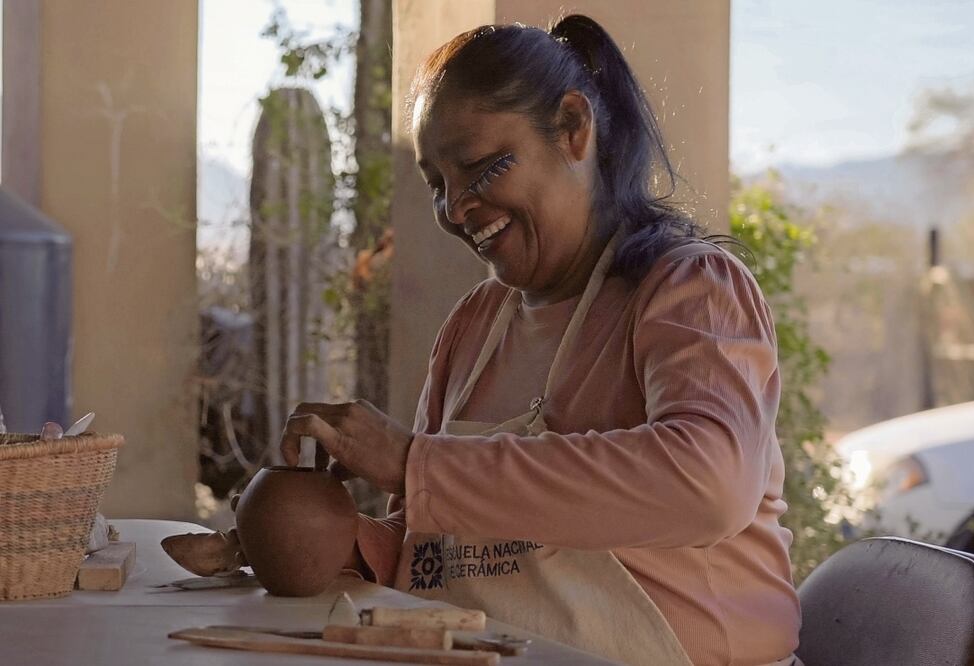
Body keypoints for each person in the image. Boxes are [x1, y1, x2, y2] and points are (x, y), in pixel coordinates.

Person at [280, 15, 802, 666]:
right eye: (437, 185)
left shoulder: (690, 288)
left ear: (573, 128)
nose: (455, 208)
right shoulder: (473, 326)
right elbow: (440, 555)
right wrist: (321, 540)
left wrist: (415, 463)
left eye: (479, 167)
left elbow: (708, 485)